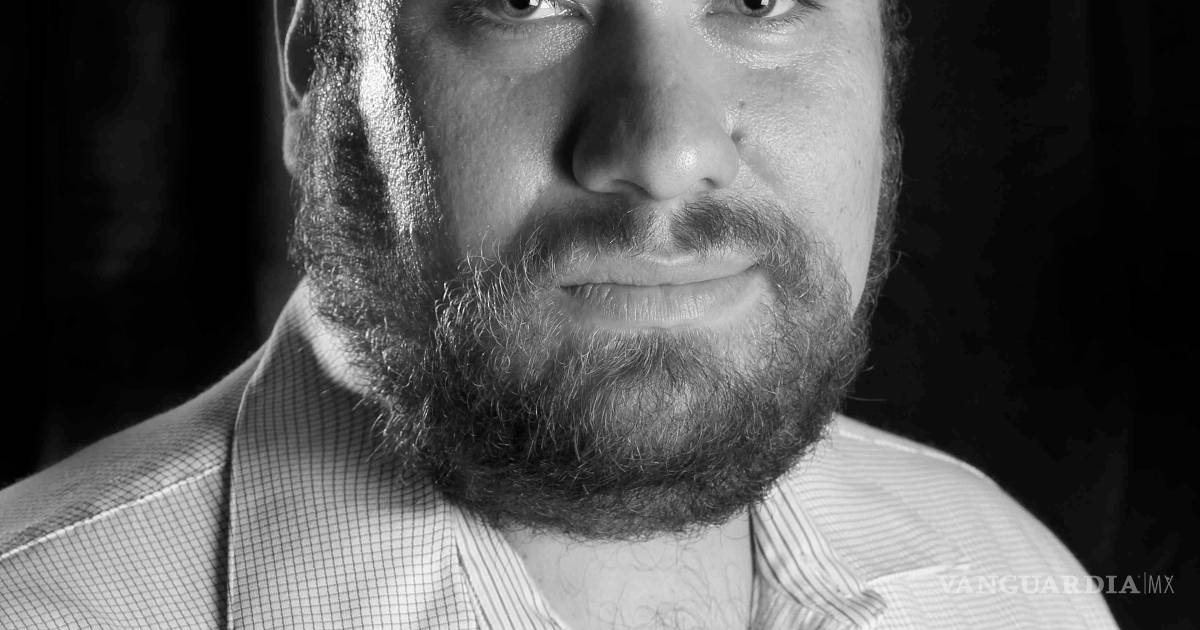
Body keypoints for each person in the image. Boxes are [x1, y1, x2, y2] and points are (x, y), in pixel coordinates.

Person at [2, 0, 1119, 627]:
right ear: (316, 73)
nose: (666, 152)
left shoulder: (1015, 585)